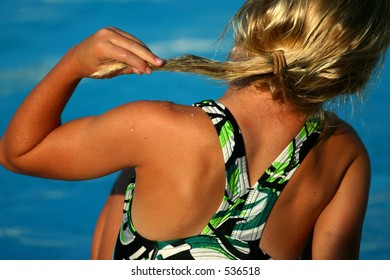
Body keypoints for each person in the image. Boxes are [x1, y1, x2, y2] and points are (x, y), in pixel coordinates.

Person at [0, 0, 389, 260]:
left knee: (127, 183)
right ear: (352, 72)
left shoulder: (156, 128)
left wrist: (73, 64)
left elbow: (20, 153)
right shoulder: (345, 154)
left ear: (247, 31)